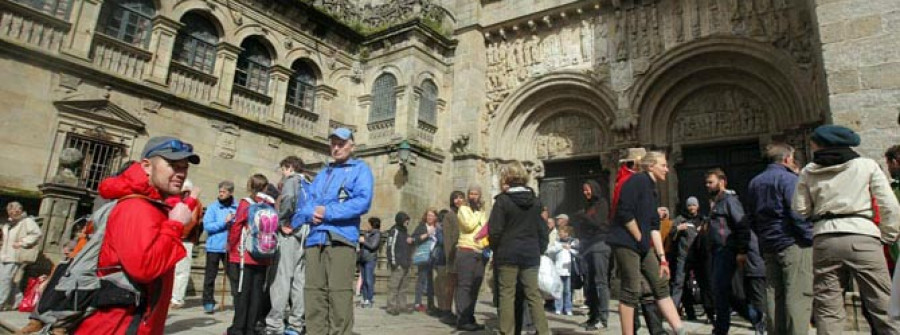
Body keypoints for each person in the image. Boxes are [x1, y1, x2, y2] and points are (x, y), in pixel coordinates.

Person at [74, 136, 200, 334]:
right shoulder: (136, 207)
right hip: (121, 324)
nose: (180, 173)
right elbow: (145, 268)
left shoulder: (153, 203)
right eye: (173, 165)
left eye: (184, 168)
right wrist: (175, 225)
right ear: (147, 166)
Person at [793, 125, 900, 334]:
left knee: (828, 308)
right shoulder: (866, 165)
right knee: (882, 303)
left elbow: (800, 208)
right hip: (863, 235)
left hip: (825, 238)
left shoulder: (808, 170)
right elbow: (890, 206)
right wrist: (887, 236)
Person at [295, 128, 374, 335]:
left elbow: (362, 202)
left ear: (352, 146)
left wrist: (327, 211)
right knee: (313, 294)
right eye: (333, 143)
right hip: (315, 240)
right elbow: (304, 204)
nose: (336, 147)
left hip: (341, 239)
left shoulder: (360, 169)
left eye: (341, 143)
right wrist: (310, 213)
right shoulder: (323, 173)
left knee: (339, 295)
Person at [608, 151, 685, 335]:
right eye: (663, 165)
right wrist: (639, 237)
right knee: (631, 290)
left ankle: (680, 330)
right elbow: (624, 212)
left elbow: (654, 226)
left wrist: (663, 259)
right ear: (651, 166)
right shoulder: (638, 181)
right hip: (626, 242)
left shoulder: (652, 188)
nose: (667, 169)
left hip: (642, 244)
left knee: (660, 284)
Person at [742, 143, 813, 335]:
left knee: (774, 295)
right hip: (792, 242)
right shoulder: (788, 179)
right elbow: (797, 212)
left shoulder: (755, 182)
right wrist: (809, 237)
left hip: (768, 244)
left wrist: (763, 238)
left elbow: (752, 217)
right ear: (787, 159)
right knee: (797, 294)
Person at [487, 161, 550, 335]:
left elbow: (495, 231)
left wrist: (495, 249)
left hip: (508, 253)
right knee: (533, 295)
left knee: (507, 294)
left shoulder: (503, 201)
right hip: (530, 253)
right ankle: (544, 332)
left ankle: (507, 332)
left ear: (506, 177)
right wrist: (540, 249)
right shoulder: (535, 202)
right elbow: (542, 229)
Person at [704, 168, 765, 335]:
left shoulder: (729, 201)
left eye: (711, 182)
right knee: (723, 291)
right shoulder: (716, 202)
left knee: (720, 290)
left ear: (722, 182)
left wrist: (742, 250)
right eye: (707, 182)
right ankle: (755, 316)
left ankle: (721, 329)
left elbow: (742, 225)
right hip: (717, 252)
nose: (707, 185)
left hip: (727, 251)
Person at [266, 156, 312, 335]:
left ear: (291, 168)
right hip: (306, 232)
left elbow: (289, 198)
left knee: (282, 277)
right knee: (299, 280)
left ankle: (275, 323)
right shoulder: (308, 183)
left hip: (292, 231)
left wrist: (283, 221)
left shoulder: (292, 181)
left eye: (284, 169)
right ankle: (296, 323)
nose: (283, 173)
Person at [226, 174, 276, 335]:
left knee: (242, 293)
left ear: (250, 186)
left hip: (244, 255)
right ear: (265, 187)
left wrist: (231, 247)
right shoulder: (270, 205)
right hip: (263, 255)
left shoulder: (245, 204)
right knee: (256, 294)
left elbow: (237, 228)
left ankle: (238, 328)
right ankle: (251, 328)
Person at [574, 179, 612, 330]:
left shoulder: (602, 203)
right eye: (583, 190)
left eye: (587, 189)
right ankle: (592, 316)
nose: (585, 192)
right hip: (587, 245)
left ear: (594, 189)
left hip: (600, 244)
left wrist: (582, 216)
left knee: (600, 282)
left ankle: (603, 319)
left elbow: (597, 222)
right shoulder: (587, 206)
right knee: (589, 282)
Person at [455, 185, 488, 331]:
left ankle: (470, 316)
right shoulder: (463, 209)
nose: (474, 196)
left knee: (475, 286)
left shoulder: (482, 211)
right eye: (471, 194)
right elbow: (469, 226)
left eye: (476, 194)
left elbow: (486, 229)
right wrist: (479, 214)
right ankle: (462, 319)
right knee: (465, 285)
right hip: (466, 249)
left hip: (480, 252)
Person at [202, 180, 238, 314]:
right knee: (210, 276)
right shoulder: (213, 207)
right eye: (220, 191)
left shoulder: (237, 207)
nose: (221, 194)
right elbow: (208, 226)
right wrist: (224, 222)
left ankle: (237, 300)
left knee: (234, 276)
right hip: (214, 247)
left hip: (230, 247)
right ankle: (208, 301)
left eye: (224, 192)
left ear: (230, 193)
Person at [0, 201, 41, 310]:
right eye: (10, 211)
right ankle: (18, 301)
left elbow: (37, 234)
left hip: (15, 255)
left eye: (14, 211)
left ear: (20, 210)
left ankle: (1, 302)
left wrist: (23, 242)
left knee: (5, 279)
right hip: (4, 254)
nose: (11, 213)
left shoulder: (27, 221)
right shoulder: (9, 223)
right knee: (8, 280)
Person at [171, 179, 203, 309]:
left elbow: (193, 221)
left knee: (182, 270)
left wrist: (179, 231)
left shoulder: (195, 203)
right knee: (172, 270)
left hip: (185, 239)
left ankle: (177, 298)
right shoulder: (176, 200)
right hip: (175, 237)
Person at [668, 196, 702, 320]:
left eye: (693, 205)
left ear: (697, 206)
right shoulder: (680, 219)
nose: (691, 207)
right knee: (679, 283)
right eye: (689, 205)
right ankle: (672, 313)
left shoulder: (702, 219)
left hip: (698, 257)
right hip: (683, 256)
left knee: (703, 283)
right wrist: (677, 229)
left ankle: (708, 313)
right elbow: (670, 234)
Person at [440, 191, 464, 320]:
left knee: (461, 285)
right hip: (453, 255)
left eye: (461, 197)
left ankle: (460, 311)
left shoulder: (465, 214)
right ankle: (446, 311)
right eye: (456, 198)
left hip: (464, 254)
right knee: (450, 284)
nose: (458, 200)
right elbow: (447, 238)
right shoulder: (449, 216)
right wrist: (449, 255)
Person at [412, 209, 440, 313]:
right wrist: (427, 234)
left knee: (432, 281)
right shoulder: (421, 227)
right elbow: (414, 239)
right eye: (428, 215)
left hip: (435, 256)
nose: (430, 217)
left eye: (432, 215)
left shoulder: (438, 227)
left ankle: (431, 303)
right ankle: (417, 303)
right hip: (424, 256)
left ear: (435, 217)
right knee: (421, 279)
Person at [385, 212, 413, 315]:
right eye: (406, 220)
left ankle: (402, 306)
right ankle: (391, 307)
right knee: (394, 286)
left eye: (408, 220)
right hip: (398, 264)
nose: (407, 222)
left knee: (403, 287)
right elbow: (390, 246)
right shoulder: (394, 231)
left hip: (406, 263)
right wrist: (393, 262)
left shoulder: (405, 232)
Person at [547, 225, 578, 315]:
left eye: (562, 232)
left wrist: (570, 248)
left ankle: (568, 308)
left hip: (568, 271)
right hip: (558, 270)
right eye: (559, 232)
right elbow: (549, 251)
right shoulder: (556, 242)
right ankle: (558, 308)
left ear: (567, 233)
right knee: (558, 290)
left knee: (567, 291)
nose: (560, 234)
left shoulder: (572, 242)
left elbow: (577, 252)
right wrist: (561, 247)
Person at [359, 217, 381, 309]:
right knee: (363, 280)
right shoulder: (366, 233)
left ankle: (369, 299)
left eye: (368, 224)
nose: (366, 225)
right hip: (363, 258)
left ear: (372, 224)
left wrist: (364, 241)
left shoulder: (377, 234)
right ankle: (365, 299)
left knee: (369, 280)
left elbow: (373, 246)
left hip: (370, 259)